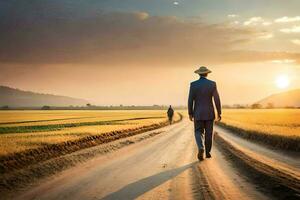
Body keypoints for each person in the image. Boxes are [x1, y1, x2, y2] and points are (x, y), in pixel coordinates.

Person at [188, 66, 221, 161]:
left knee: (198, 131)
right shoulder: (212, 84)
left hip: (198, 113)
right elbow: (217, 99)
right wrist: (219, 112)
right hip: (209, 113)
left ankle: (200, 147)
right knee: (209, 134)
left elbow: (190, 100)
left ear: (198, 74)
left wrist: (190, 113)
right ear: (207, 74)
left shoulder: (193, 85)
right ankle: (207, 153)